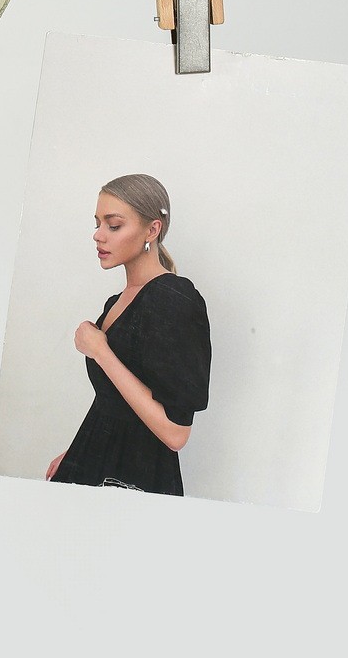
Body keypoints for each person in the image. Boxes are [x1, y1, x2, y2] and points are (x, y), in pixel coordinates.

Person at [46, 173, 211, 496]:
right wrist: (76, 452)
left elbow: (176, 434)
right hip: (95, 460)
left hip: (136, 478)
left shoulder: (174, 299)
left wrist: (101, 352)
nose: (98, 235)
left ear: (152, 230)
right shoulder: (116, 302)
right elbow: (114, 402)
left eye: (114, 225)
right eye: (97, 224)